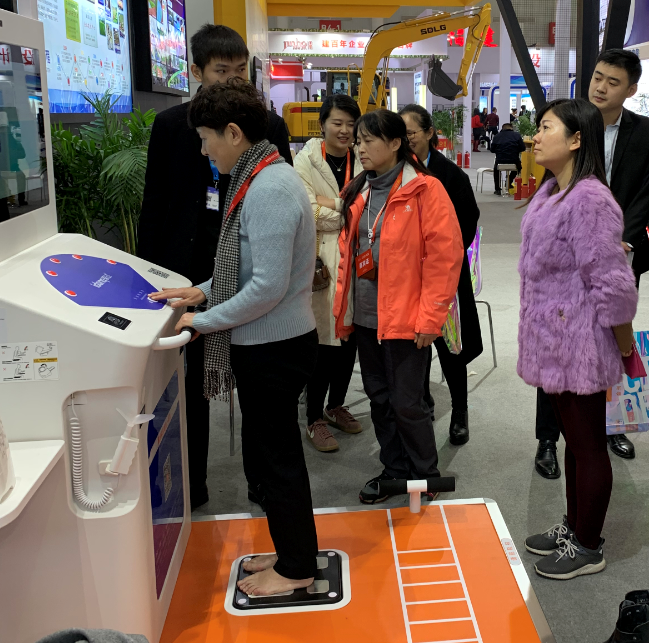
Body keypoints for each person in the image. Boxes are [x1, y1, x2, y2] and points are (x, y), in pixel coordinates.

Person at [149, 79, 319, 596]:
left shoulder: (268, 188)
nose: (205, 151)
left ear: (233, 132)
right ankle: (291, 550)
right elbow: (241, 272)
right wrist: (200, 292)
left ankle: (296, 568)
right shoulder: (259, 177)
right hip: (267, 343)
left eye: (207, 139)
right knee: (271, 456)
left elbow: (266, 288)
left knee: (277, 459)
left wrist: (201, 320)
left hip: (274, 349)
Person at [137, 24, 292, 510]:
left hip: (246, 267)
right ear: (196, 71)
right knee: (192, 384)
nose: (232, 80)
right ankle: (193, 483)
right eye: (222, 71)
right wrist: (149, 273)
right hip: (187, 271)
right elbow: (155, 204)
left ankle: (261, 482)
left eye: (240, 70)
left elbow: (280, 200)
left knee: (254, 381)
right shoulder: (171, 125)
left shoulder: (268, 126)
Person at [521, 98, 638, 580]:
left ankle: (589, 545)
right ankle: (574, 525)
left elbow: (613, 284)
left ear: (575, 140)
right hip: (553, 339)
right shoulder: (552, 191)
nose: (535, 136)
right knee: (574, 440)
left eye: (545, 127)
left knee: (588, 444)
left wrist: (624, 346)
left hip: (581, 343)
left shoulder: (589, 198)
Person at [533, 49, 649, 476]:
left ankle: (608, 427)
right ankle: (549, 438)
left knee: (610, 341)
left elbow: (644, 192)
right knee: (557, 345)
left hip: (618, 253)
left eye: (613, 82)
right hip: (567, 258)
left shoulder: (645, 131)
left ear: (631, 90)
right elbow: (552, 183)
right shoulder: (569, 120)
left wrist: (621, 241)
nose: (601, 87)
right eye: (598, 77)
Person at [332, 110, 463, 504]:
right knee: (379, 399)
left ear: (394, 144)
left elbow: (445, 259)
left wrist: (431, 318)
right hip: (367, 316)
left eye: (368, 140)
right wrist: (343, 313)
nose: (360, 147)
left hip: (407, 318)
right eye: (358, 141)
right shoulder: (358, 190)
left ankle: (425, 474)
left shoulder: (425, 190)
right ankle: (394, 470)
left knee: (407, 403)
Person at [400, 104, 484, 445]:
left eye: (411, 133)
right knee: (413, 344)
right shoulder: (398, 171)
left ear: (429, 133)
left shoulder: (451, 175)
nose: (406, 139)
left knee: (451, 346)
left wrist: (439, 255)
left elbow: (468, 221)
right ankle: (424, 401)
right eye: (401, 134)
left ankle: (460, 410)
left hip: (445, 275)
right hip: (408, 276)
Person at [294, 95, 364, 453]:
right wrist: (347, 209)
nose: (345, 131)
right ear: (322, 124)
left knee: (349, 338)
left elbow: (370, 208)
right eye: (338, 123)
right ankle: (313, 418)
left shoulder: (361, 158)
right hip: (320, 261)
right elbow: (307, 211)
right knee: (322, 341)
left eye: (351, 124)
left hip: (357, 260)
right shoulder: (305, 160)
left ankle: (336, 405)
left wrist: (333, 204)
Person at [490, 123, 525, 196]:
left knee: (496, 170)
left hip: (500, 160)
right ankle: (508, 182)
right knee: (519, 167)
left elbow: (492, 150)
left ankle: (497, 189)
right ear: (511, 128)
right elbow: (523, 148)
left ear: (502, 128)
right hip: (514, 160)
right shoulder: (517, 135)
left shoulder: (497, 136)